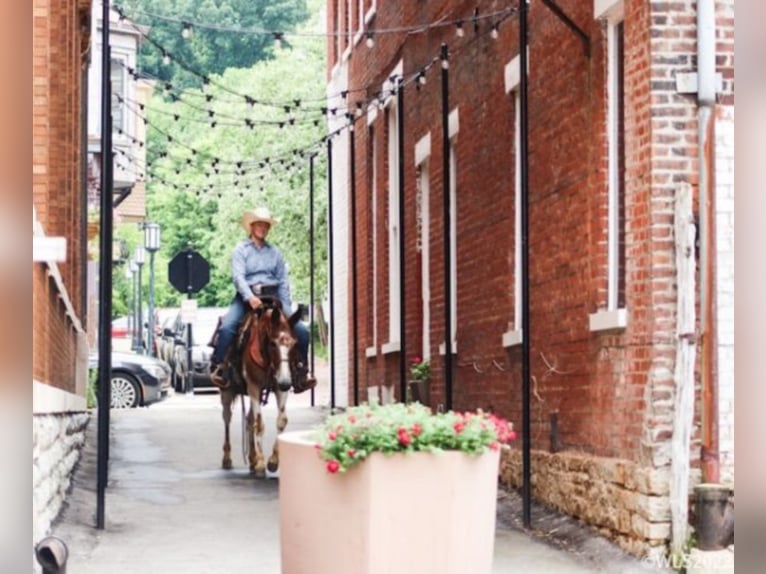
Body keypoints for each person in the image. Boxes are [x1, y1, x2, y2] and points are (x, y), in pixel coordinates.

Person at [210, 206, 315, 391]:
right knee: (228, 327)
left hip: (273, 298)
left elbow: (283, 281)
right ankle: (220, 368)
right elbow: (238, 277)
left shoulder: (275, 253)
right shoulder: (241, 250)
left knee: (302, 331)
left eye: (265, 225)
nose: (262, 228)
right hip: (246, 297)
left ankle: (301, 372)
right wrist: (250, 298)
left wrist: (286, 309)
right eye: (259, 224)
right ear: (251, 227)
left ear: (268, 228)